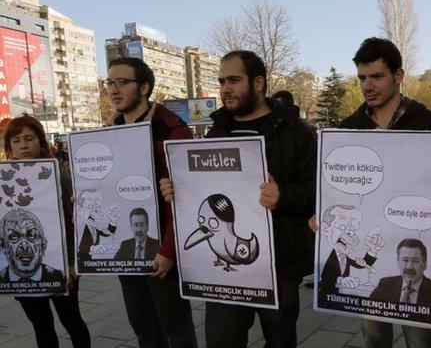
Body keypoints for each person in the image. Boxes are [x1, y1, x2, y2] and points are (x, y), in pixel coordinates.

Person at [160, 50, 317, 347]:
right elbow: (206, 189)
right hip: (224, 272)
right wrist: (178, 190)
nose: (225, 89)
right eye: (221, 81)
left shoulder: (298, 132)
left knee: (280, 339)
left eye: (233, 80)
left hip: (279, 264)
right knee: (221, 339)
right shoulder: (217, 131)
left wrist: (283, 195)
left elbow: (316, 191)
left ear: (258, 83)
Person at [327, 37, 431, 348]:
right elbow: (335, 191)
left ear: (399, 76)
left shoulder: (428, 123)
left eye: (377, 76)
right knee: (373, 334)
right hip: (368, 247)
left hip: (413, 240)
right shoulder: (349, 129)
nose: (367, 85)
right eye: (362, 77)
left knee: (418, 335)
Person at [106, 57, 197, 348]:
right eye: (110, 82)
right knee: (143, 327)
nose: (113, 89)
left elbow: (185, 197)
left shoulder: (172, 128)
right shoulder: (112, 129)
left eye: (122, 82)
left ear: (144, 87)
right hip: (127, 251)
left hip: (162, 251)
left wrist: (169, 249)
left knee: (176, 328)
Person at [3, 114, 90, 347]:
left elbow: (72, 222)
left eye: (29, 138)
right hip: (22, 272)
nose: (23, 145)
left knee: (71, 320)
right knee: (41, 325)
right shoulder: (4, 181)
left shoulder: (58, 175)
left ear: (40, 142)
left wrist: (71, 264)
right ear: (9, 146)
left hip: (60, 264)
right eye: (16, 140)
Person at [318, 205, 383, 297]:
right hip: (324, 295)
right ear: (325, 229)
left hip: (339, 296)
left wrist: (373, 249)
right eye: (342, 226)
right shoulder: (323, 251)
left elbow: (359, 264)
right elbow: (321, 273)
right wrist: (340, 280)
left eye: (353, 229)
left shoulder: (345, 250)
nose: (349, 233)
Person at [0, 209, 64, 283]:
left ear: (43, 245)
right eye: (14, 237)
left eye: (32, 236)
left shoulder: (60, 278)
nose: (24, 246)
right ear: (3, 246)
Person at [369, 239, 431, 307]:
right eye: (405, 260)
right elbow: (367, 310)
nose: (409, 267)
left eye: (415, 261)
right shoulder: (385, 285)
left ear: (425, 264)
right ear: (398, 262)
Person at [75, 189, 119, 262]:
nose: (93, 213)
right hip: (80, 264)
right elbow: (75, 245)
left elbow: (107, 233)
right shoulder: (77, 227)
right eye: (90, 207)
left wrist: (113, 220)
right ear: (79, 209)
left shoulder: (93, 226)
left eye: (97, 208)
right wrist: (91, 248)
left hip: (90, 265)